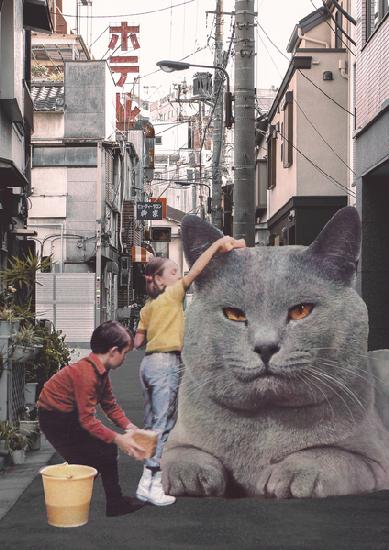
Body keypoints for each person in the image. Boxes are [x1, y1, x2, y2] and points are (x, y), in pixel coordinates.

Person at [134, 235, 246, 506]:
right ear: (160, 281)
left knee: (151, 423)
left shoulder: (148, 307)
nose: (178, 274)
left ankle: (146, 479)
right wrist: (217, 245)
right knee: (164, 424)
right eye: (173, 272)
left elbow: (137, 342)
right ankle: (151, 481)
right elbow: (197, 269)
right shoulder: (173, 295)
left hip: (147, 364)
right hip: (165, 364)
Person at [38, 320, 146, 517]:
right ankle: (66, 505)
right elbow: (87, 421)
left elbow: (110, 405)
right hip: (54, 418)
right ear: (113, 351)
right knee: (90, 459)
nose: (124, 358)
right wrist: (119, 438)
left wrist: (131, 428)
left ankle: (113, 503)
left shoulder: (100, 371)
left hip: (67, 415)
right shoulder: (86, 374)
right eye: (125, 353)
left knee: (101, 453)